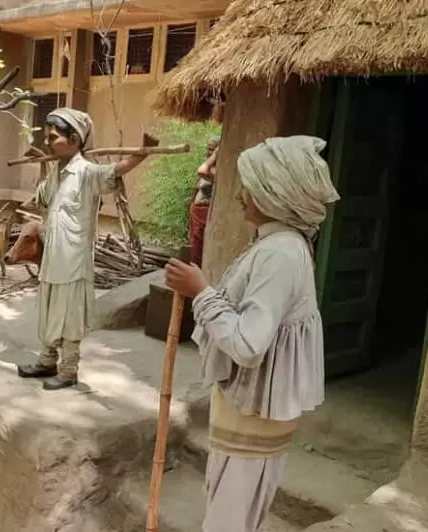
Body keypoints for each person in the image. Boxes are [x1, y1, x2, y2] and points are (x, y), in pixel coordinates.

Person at [164, 136, 340, 532]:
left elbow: (247, 344)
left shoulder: (280, 254)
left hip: (253, 418)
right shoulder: (275, 245)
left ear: (274, 194)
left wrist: (201, 292)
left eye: (251, 186)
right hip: (247, 412)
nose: (240, 194)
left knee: (228, 521)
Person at [17, 107, 158, 391]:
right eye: (47, 138)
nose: (47, 142)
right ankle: (47, 360)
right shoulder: (58, 172)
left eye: (53, 137)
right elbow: (42, 199)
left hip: (73, 261)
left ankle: (68, 370)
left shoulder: (85, 171)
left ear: (74, 140)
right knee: (49, 310)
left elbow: (115, 170)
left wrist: (142, 154)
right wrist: (42, 163)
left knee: (69, 316)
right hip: (53, 259)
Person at [189, 136, 220, 268]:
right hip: (197, 213)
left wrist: (215, 156)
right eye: (207, 149)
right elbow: (197, 188)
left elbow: (202, 170)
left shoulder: (218, 170)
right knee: (194, 247)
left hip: (206, 214)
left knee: (202, 248)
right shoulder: (208, 165)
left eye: (212, 149)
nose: (208, 152)